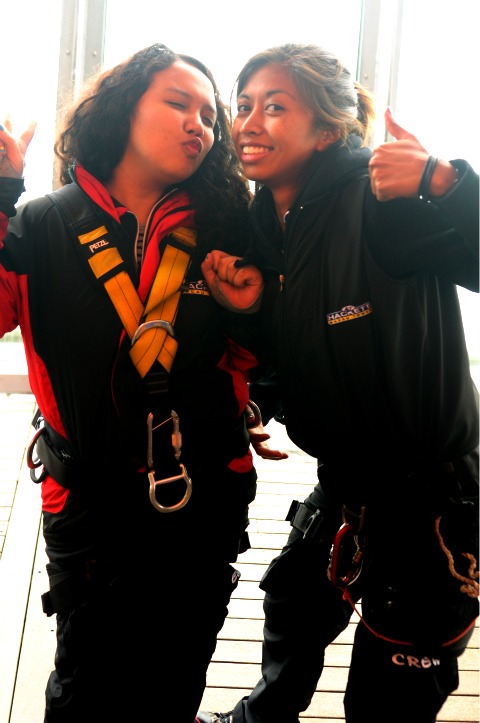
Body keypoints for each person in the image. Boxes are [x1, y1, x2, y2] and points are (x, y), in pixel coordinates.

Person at [196, 43, 479, 723]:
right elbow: (304, 345)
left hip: (433, 498)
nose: (248, 122)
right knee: (294, 601)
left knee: (386, 698)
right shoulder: (269, 225)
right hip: (349, 482)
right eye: (243, 106)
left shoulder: (376, 203)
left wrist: (447, 181)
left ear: (327, 130)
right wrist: (254, 358)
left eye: (275, 106)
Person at [0, 42, 270, 723]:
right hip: (90, 503)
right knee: (85, 687)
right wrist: (1, 196)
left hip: (205, 498)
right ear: (121, 110)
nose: (199, 125)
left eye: (208, 116)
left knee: (175, 680)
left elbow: (256, 359)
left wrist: (249, 314)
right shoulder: (42, 224)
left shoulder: (226, 227)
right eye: (178, 103)